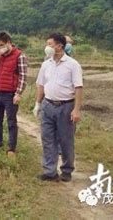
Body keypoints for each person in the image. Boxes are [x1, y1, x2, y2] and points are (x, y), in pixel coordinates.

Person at [34, 33, 83, 182]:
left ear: (59, 46)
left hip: (65, 106)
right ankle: (50, 171)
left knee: (65, 139)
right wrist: (37, 103)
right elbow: (41, 85)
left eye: (50, 44)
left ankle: (67, 169)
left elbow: (78, 88)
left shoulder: (72, 64)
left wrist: (76, 109)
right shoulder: (46, 64)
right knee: (47, 138)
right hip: (48, 105)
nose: (47, 47)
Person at [0, 31, 27, 157]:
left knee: (11, 121)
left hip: (10, 94)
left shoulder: (19, 55)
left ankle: (11, 148)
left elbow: (23, 76)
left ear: (8, 43)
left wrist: (18, 93)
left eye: (1, 45)